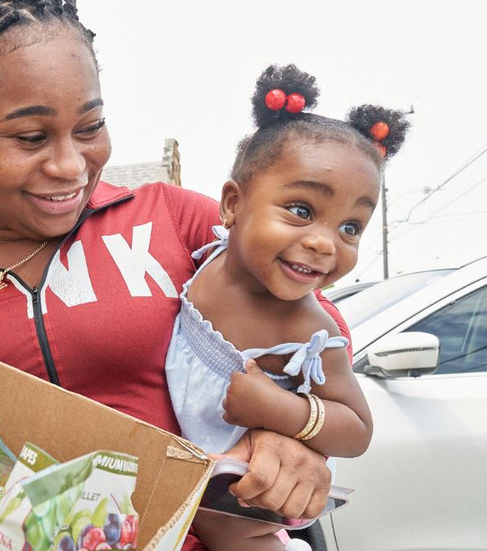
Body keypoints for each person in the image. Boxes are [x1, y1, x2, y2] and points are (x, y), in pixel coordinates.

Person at [0, 0, 341, 548]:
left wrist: (289, 438)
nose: (69, 165)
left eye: (90, 126)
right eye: (30, 138)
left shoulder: (174, 221)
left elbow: (317, 342)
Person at [166, 65, 409, 550]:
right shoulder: (209, 257)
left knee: (237, 533)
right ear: (232, 205)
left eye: (351, 227)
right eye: (301, 211)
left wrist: (277, 408)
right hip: (187, 482)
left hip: (248, 498)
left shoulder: (306, 326)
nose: (325, 243)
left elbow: (357, 429)